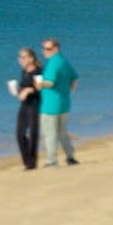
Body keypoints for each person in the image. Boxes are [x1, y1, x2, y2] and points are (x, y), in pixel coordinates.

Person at [35, 38, 79, 167]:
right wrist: (67, 92)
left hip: (50, 105)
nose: (45, 51)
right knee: (62, 133)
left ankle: (52, 160)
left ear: (55, 49)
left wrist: (39, 84)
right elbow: (74, 78)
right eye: (43, 48)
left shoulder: (53, 62)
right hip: (63, 102)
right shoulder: (63, 60)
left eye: (48, 49)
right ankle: (70, 157)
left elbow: (50, 82)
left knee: (50, 133)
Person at [8, 47, 43, 170]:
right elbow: (23, 88)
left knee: (33, 133)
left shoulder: (38, 72)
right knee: (20, 134)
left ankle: (31, 163)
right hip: (24, 105)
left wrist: (29, 90)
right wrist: (16, 91)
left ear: (31, 59)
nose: (20, 60)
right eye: (19, 57)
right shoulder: (24, 72)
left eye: (23, 57)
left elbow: (39, 88)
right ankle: (27, 161)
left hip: (35, 104)